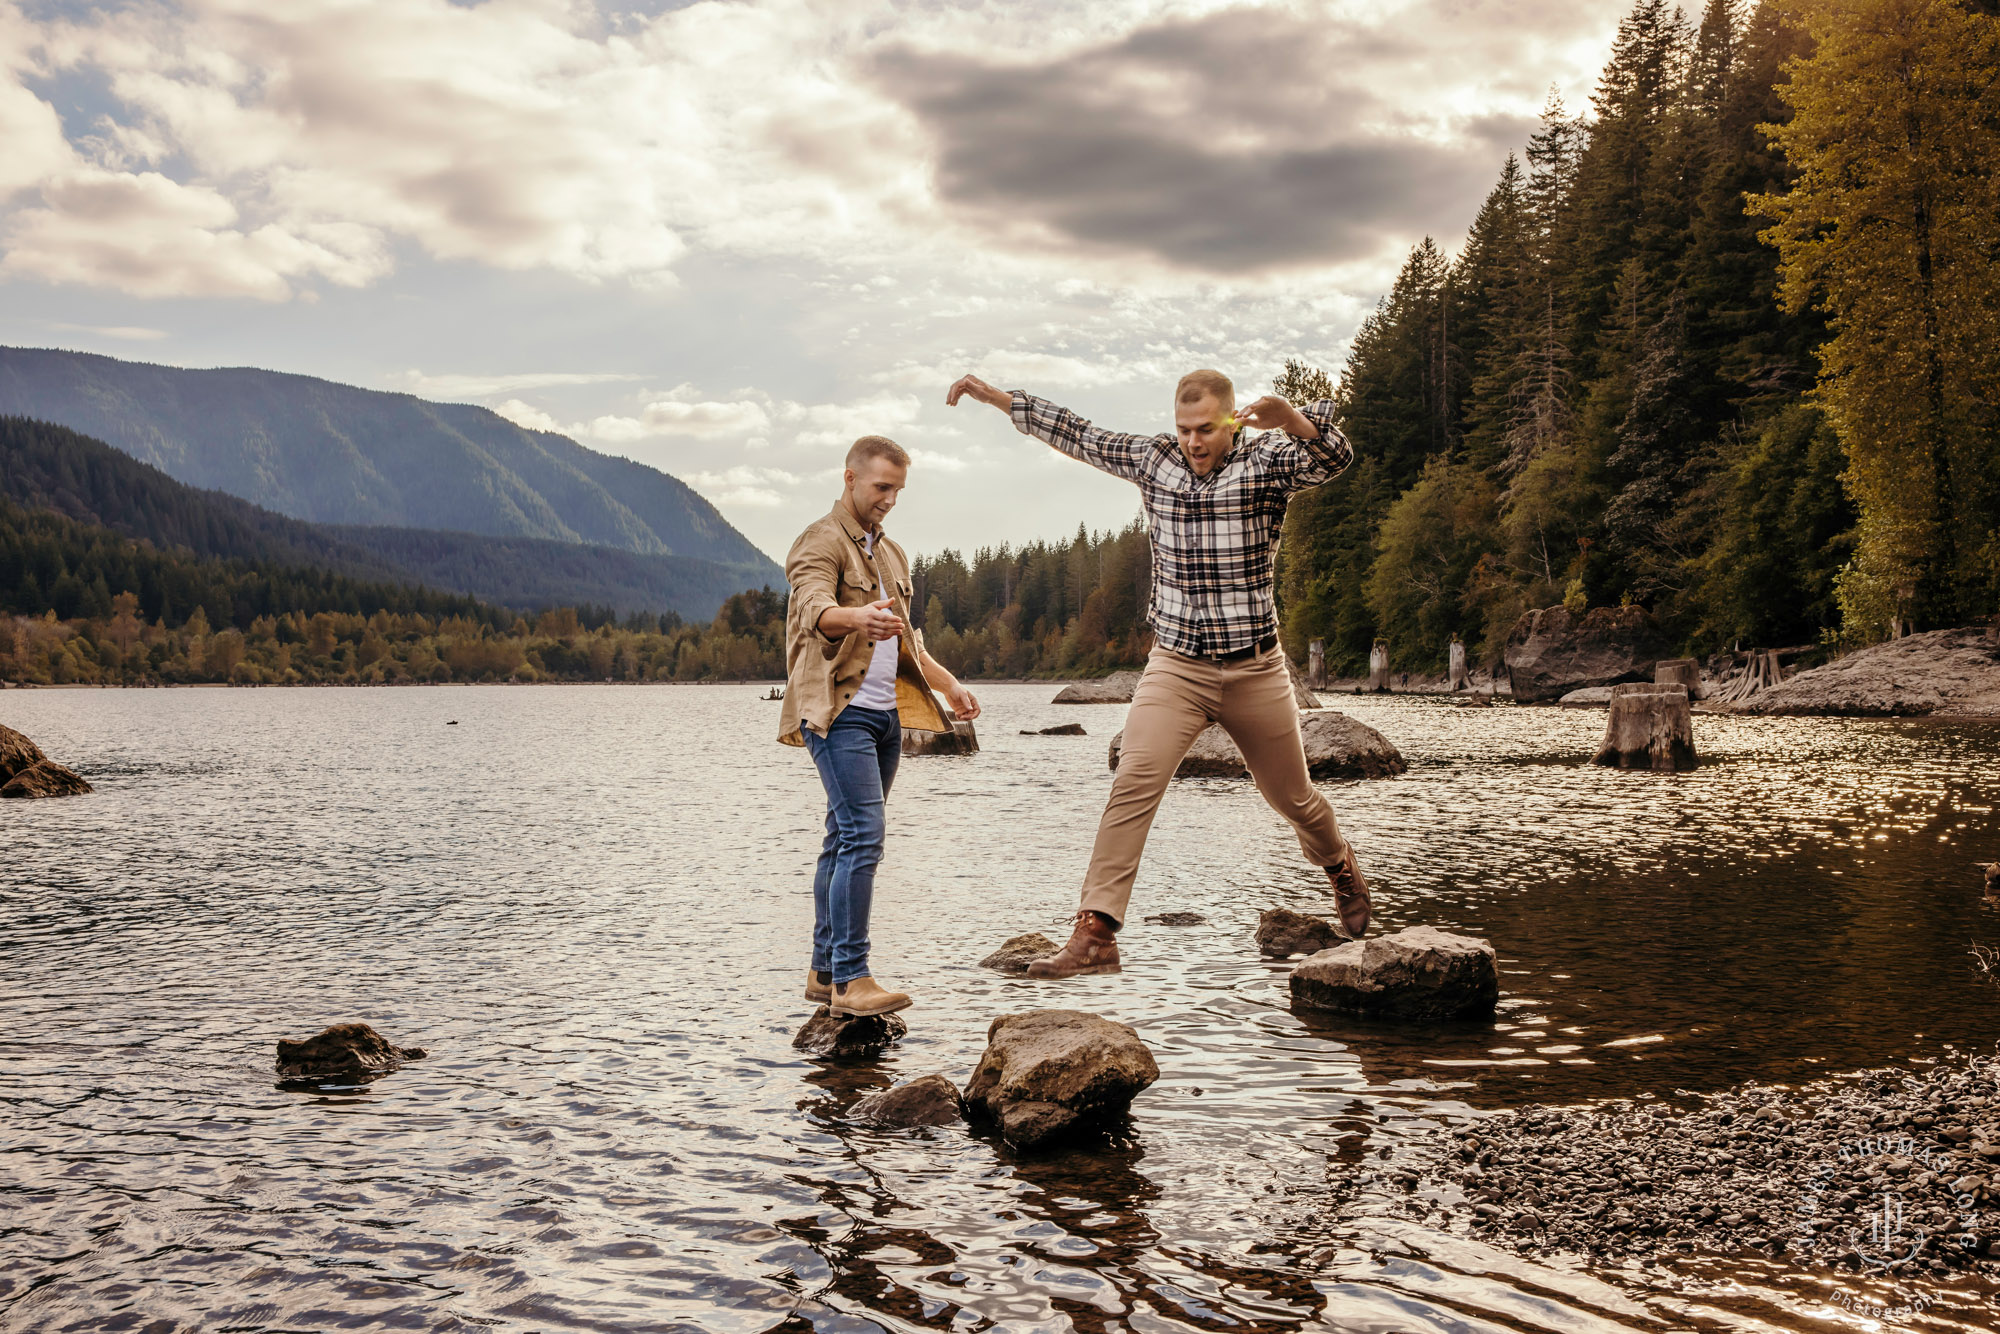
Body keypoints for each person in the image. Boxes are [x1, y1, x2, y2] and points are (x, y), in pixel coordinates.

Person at [945, 369, 1370, 978]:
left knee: (1293, 798)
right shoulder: (1154, 460)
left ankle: (1338, 865)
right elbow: (1079, 434)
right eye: (1184, 428)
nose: (1194, 441)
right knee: (1134, 779)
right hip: (1176, 667)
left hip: (1255, 670)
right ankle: (1096, 933)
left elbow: (1334, 457)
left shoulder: (1267, 463)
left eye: (1206, 429)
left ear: (1230, 423)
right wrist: (1000, 400)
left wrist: (1294, 421)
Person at [778, 434, 981, 1016]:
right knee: (863, 838)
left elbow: (908, 643)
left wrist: (950, 685)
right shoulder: (819, 540)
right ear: (850, 480)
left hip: (886, 717)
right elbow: (814, 605)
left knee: (843, 838)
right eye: (881, 487)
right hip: (839, 715)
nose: (890, 499)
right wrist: (854, 617)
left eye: (898, 490)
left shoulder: (892, 556)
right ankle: (851, 979)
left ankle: (823, 973)